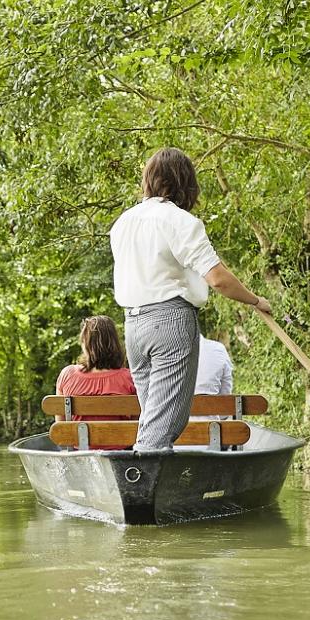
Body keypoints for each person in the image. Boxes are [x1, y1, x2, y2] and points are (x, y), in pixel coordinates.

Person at [110, 147, 271, 452]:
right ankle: (139, 491)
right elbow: (218, 279)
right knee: (163, 425)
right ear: (185, 183)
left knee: (153, 419)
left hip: (134, 327)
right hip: (170, 321)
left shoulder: (122, 223)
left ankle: (150, 489)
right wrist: (255, 300)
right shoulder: (180, 221)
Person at [55, 315, 136, 449]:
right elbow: (137, 427)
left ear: (85, 344)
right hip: (122, 453)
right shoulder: (130, 378)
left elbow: (62, 429)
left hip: (79, 452)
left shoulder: (67, 375)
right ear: (115, 344)